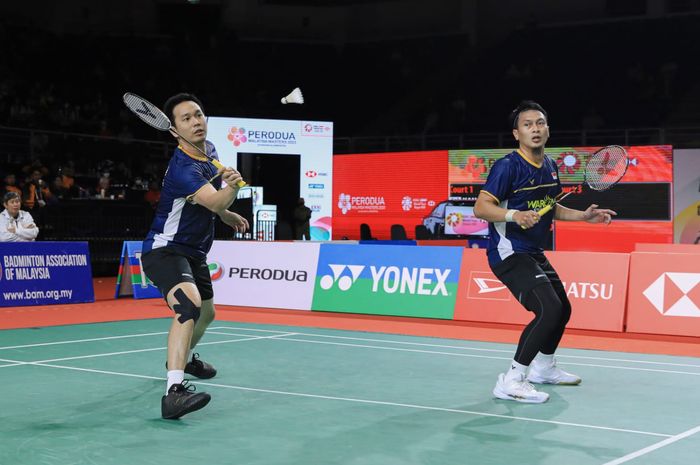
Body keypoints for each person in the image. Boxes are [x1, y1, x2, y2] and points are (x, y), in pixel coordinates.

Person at [473, 100, 616, 404]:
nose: (535, 129)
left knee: (562, 309)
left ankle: (544, 368)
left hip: (532, 250)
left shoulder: (550, 165)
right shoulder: (508, 166)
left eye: (540, 123)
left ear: (548, 129)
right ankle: (511, 379)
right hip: (508, 251)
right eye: (527, 124)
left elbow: (550, 208)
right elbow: (481, 207)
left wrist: (583, 216)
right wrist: (515, 216)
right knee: (548, 310)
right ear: (517, 133)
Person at [140, 93, 249, 420]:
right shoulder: (183, 168)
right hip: (165, 249)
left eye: (198, 114)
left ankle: (183, 359)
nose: (196, 121)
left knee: (207, 314)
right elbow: (213, 201)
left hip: (194, 251)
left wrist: (225, 212)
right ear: (174, 130)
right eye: (186, 119)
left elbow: (209, 204)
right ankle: (173, 393)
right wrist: (231, 192)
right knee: (189, 306)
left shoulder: (209, 150)